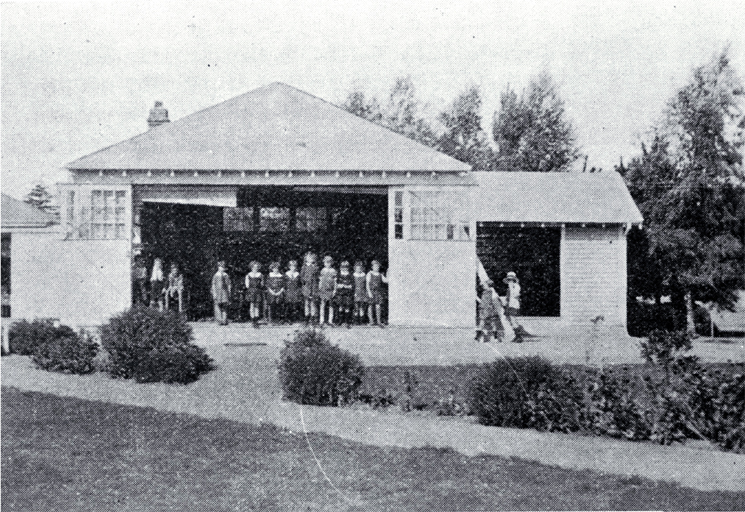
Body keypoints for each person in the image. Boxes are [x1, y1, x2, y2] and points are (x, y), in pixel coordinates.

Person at [366, 260, 388, 327]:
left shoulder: (380, 274)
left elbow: (386, 281)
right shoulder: (369, 273)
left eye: (378, 266)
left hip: (378, 292)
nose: (377, 267)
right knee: (370, 306)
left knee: (378, 306)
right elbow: (367, 284)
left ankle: (378, 321)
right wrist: (369, 292)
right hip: (371, 291)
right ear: (372, 267)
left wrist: (388, 273)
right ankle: (371, 321)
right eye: (375, 266)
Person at [503, 271, 523, 342]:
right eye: (508, 280)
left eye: (511, 280)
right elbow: (508, 297)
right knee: (511, 320)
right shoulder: (509, 287)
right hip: (509, 305)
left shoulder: (516, 286)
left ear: (514, 280)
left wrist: (511, 288)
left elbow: (516, 295)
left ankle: (519, 336)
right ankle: (516, 335)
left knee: (513, 319)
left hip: (513, 304)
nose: (509, 281)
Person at [300, 252, 320, 325]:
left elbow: (318, 277)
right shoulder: (304, 267)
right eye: (308, 258)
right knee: (306, 303)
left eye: (311, 258)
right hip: (306, 287)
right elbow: (301, 277)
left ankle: (312, 318)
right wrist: (305, 281)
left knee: (313, 303)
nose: (310, 259)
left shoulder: (316, 267)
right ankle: (306, 317)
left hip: (314, 287)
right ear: (306, 259)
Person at [318, 255, 338, 326]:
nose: (327, 264)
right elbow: (320, 280)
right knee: (322, 305)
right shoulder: (322, 270)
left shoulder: (333, 271)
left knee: (331, 305)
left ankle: (330, 320)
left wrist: (335, 290)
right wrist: (319, 288)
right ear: (324, 263)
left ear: (331, 263)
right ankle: (321, 320)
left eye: (329, 262)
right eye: (326, 262)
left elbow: (335, 281)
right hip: (323, 290)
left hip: (330, 290)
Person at [211, 260, 231, 325]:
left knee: (225, 306)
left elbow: (228, 284)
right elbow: (213, 284)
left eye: (222, 267)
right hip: (218, 292)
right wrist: (214, 293)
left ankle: (224, 320)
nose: (221, 268)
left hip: (224, 292)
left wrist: (229, 291)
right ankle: (219, 320)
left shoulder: (226, 275)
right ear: (218, 267)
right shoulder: (216, 275)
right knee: (217, 306)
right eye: (220, 267)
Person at [335, 260, 354, 328]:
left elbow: (352, 285)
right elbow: (336, 283)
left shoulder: (350, 275)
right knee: (340, 306)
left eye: (346, 267)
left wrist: (347, 286)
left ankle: (347, 322)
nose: (344, 268)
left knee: (347, 306)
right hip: (340, 292)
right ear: (340, 268)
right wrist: (339, 286)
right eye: (343, 267)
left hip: (347, 293)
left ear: (348, 268)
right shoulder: (339, 274)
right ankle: (340, 321)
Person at [245, 261, 264, 328]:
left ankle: (256, 320)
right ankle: (252, 320)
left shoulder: (260, 275)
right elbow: (247, 285)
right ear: (251, 267)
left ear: (258, 268)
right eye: (253, 267)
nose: (255, 268)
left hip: (257, 291)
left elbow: (262, 284)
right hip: (251, 291)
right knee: (252, 306)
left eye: (256, 267)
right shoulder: (248, 275)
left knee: (257, 306)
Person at [284, 259, 302, 323]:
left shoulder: (298, 274)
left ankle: (293, 318)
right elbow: (284, 283)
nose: (293, 267)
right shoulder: (286, 274)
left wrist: (299, 291)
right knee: (288, 305)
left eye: (294, 266)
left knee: (294, 305)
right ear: (289, 266)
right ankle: (287, 318)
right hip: (288, 291)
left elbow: (300, 284)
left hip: (295, 291)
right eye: (291, 266)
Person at [353, 261, 368, 325]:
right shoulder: (353, 275)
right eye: (357, 268)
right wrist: (353, 292)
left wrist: (366, 292)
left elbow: (366, 284)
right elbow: (353, 285)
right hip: (356, 292)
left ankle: (362, 321)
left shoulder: (364, 275)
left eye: (360, 268)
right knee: (356, 306)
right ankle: (356, 320)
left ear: (362, 268)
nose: (359, 269)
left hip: (362, 292)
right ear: (355, 268)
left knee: (362, 306)